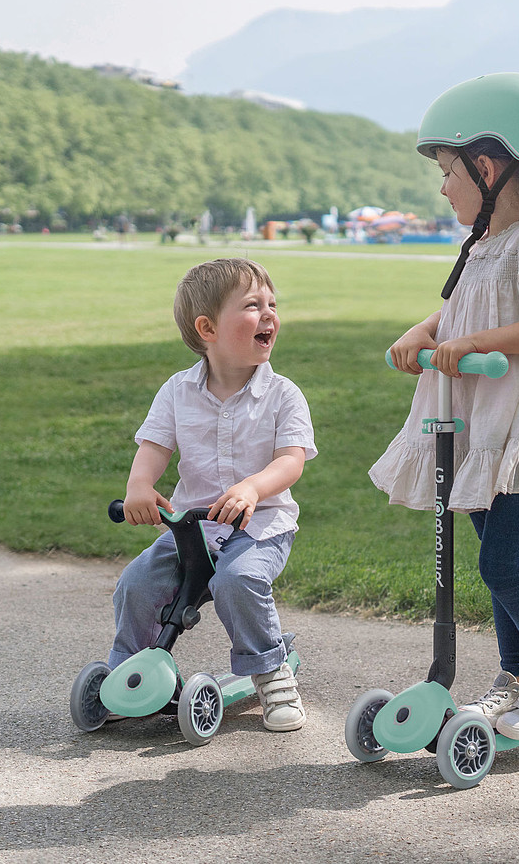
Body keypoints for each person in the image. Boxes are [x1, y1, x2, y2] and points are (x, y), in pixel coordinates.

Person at [370, 72, 519, 743]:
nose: (442, 187)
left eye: (448, 171)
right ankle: (512, 678)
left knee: (501, 565)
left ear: (487, 168)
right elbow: (462, 308)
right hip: (475, 431)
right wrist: (424, 332)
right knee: (493, 565)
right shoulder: (481, 248)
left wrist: (473, 343)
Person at [111, 257, 316, 731]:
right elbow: (154, 447)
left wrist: (251, 487)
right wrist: (139, 486)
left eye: (272, 304)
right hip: (192, 528)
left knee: (236, 581)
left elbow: (291, 461)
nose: (269, 315)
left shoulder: (284, 395)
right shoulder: (177, 391)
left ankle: (271, 670)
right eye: (252, 305)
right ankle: (131, 671)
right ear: (207, 328)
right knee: (136, 583)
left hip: (260, 526)